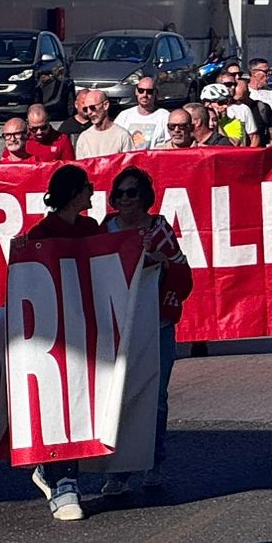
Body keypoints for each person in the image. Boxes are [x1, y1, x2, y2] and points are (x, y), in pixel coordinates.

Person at [98, 165, 193, 497]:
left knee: (156, 400)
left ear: (145, 198)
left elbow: (184, 278)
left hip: (156, 325)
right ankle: (119, 472)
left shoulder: (159, 229)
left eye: (131, 193)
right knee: (118, 400)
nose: (124, 200)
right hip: (117, 329)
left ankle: (153, 461)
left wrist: (162, 264)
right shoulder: (106, 228)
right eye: (119, 194)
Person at [23, 165, 100, 521]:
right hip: (54, 337)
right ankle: (62, 480)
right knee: (59, 405)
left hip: (88, 330)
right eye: (87, 187)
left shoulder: (91, 229)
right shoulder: (43, 233)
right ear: (72, 193)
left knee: (83, 404)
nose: (93, 193)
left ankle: (62, 473)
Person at [72, 90, 134, 159]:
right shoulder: (84, 138)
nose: (89, 112)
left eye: (92, 107)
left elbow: (129, 165)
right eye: (86, 109)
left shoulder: (122, 135)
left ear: (105, 105)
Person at [114, 79, 173, 150]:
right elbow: (114, 141)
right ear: (136, 91)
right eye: (141, 91)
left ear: (156, 93)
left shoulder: (165, 116)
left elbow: (171, 144)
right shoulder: (124, 116)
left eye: (149, 92)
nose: (145, 95)